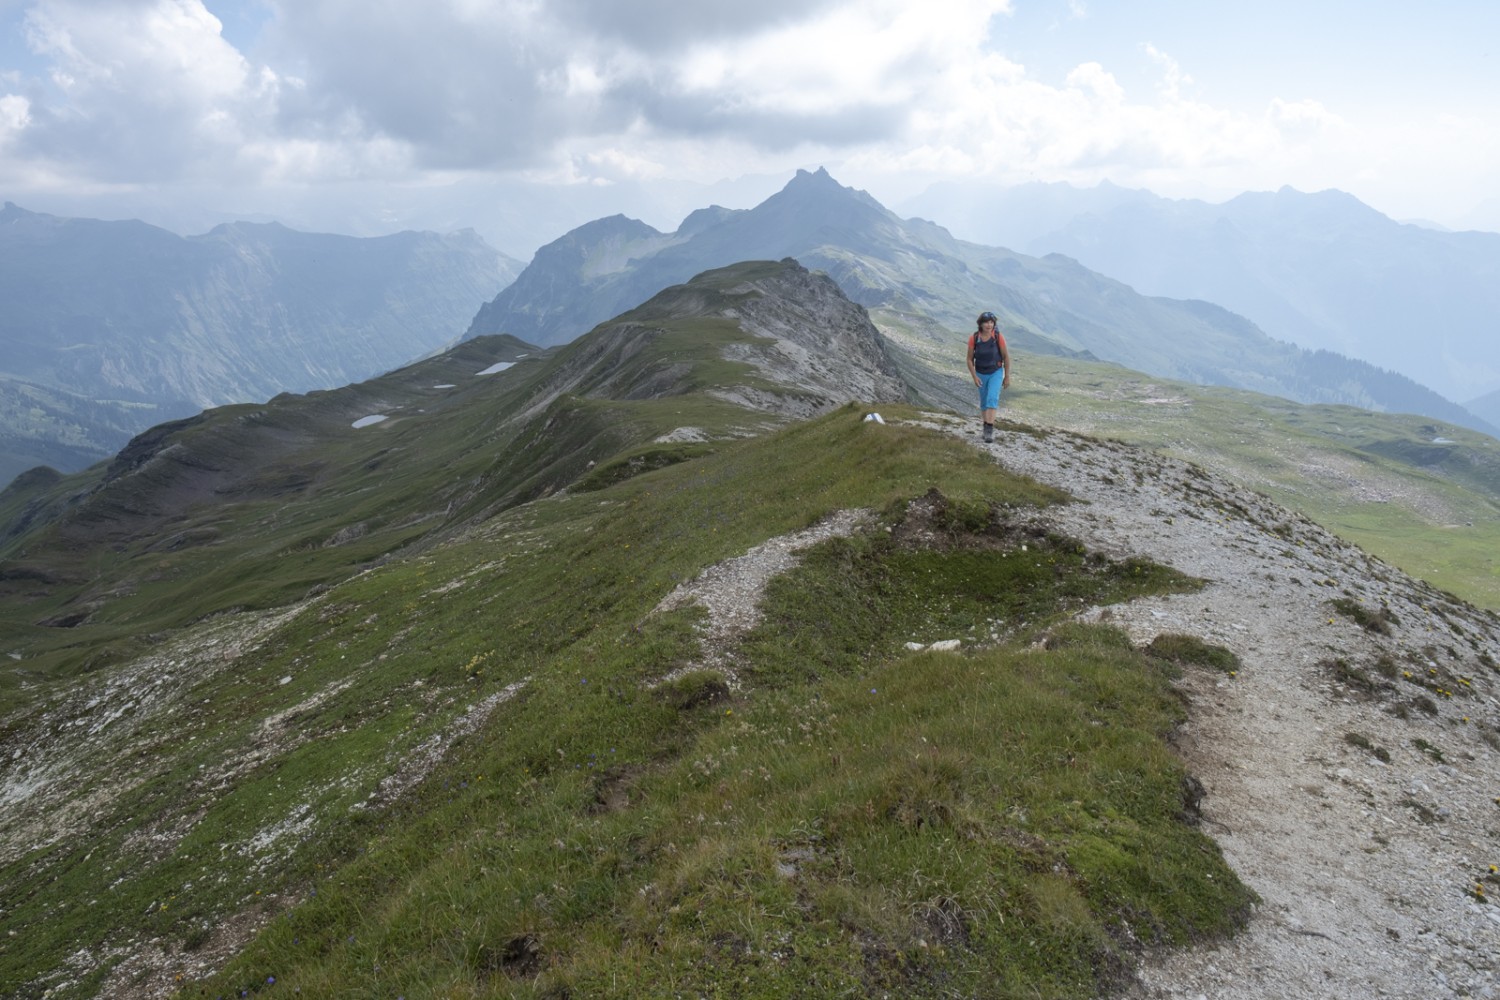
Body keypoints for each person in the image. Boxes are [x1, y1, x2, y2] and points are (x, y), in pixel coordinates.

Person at [966, 311, 1011, 442]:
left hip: (996, 372)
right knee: (984, 402)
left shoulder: (998, 337)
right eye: (986, 322)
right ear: (980, 324)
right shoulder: (974, 338)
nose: (989, 325)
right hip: (980, 373)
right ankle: (986, 426)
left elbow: (1006, 357)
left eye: (992, 322)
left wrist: (1006, 376)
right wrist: (974, 376)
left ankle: (989, 430)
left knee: (992, 398)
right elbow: (969, 359)